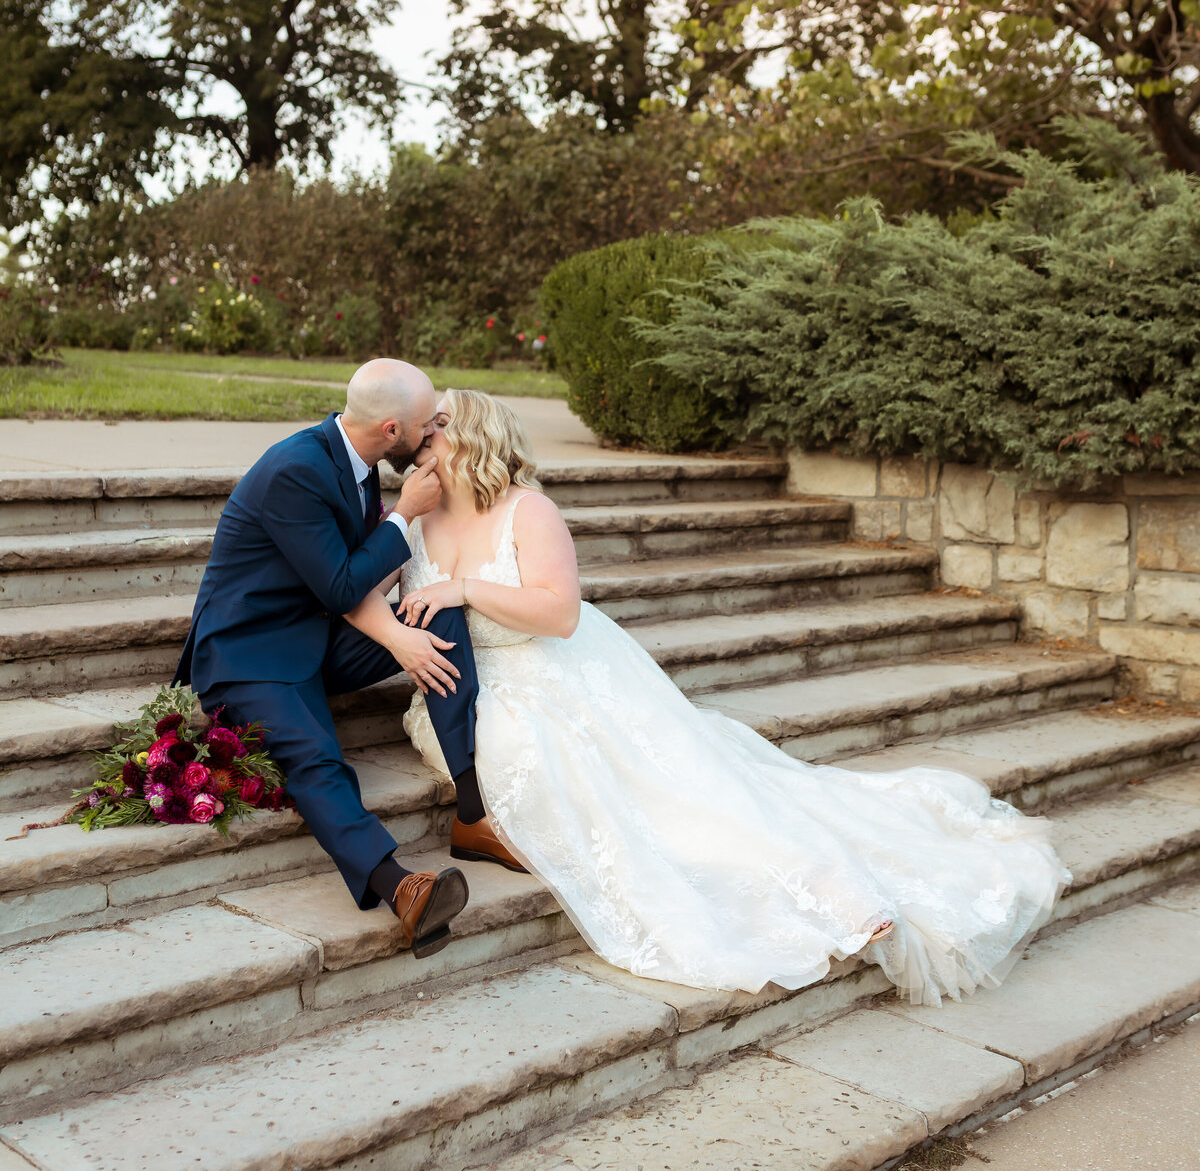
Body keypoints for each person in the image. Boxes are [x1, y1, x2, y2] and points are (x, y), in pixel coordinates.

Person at [346, 388, 1071, 1003]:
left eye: (435, 428)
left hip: (568, 671)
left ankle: (840, 893)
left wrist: (465, 587)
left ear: (470, 437)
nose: (418, 442)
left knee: (682, 790)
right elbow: (361, 596)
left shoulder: (525, 510)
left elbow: (560, 615)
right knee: (555, 774)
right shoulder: (411, 516)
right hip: (479, 692)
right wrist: (403, 636)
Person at [176, 361, 507, 959]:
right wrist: (404, 515)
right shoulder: (295, 470)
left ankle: (471, 810)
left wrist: (404, 618)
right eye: (424, 423)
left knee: (438, 616)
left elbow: (354, 581)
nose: (433, 429)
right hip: (249, 655)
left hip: (315, 636)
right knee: (316, 755)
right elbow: (339, 585)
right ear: (389, 430)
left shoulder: (357, 462)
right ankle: (403, 890)